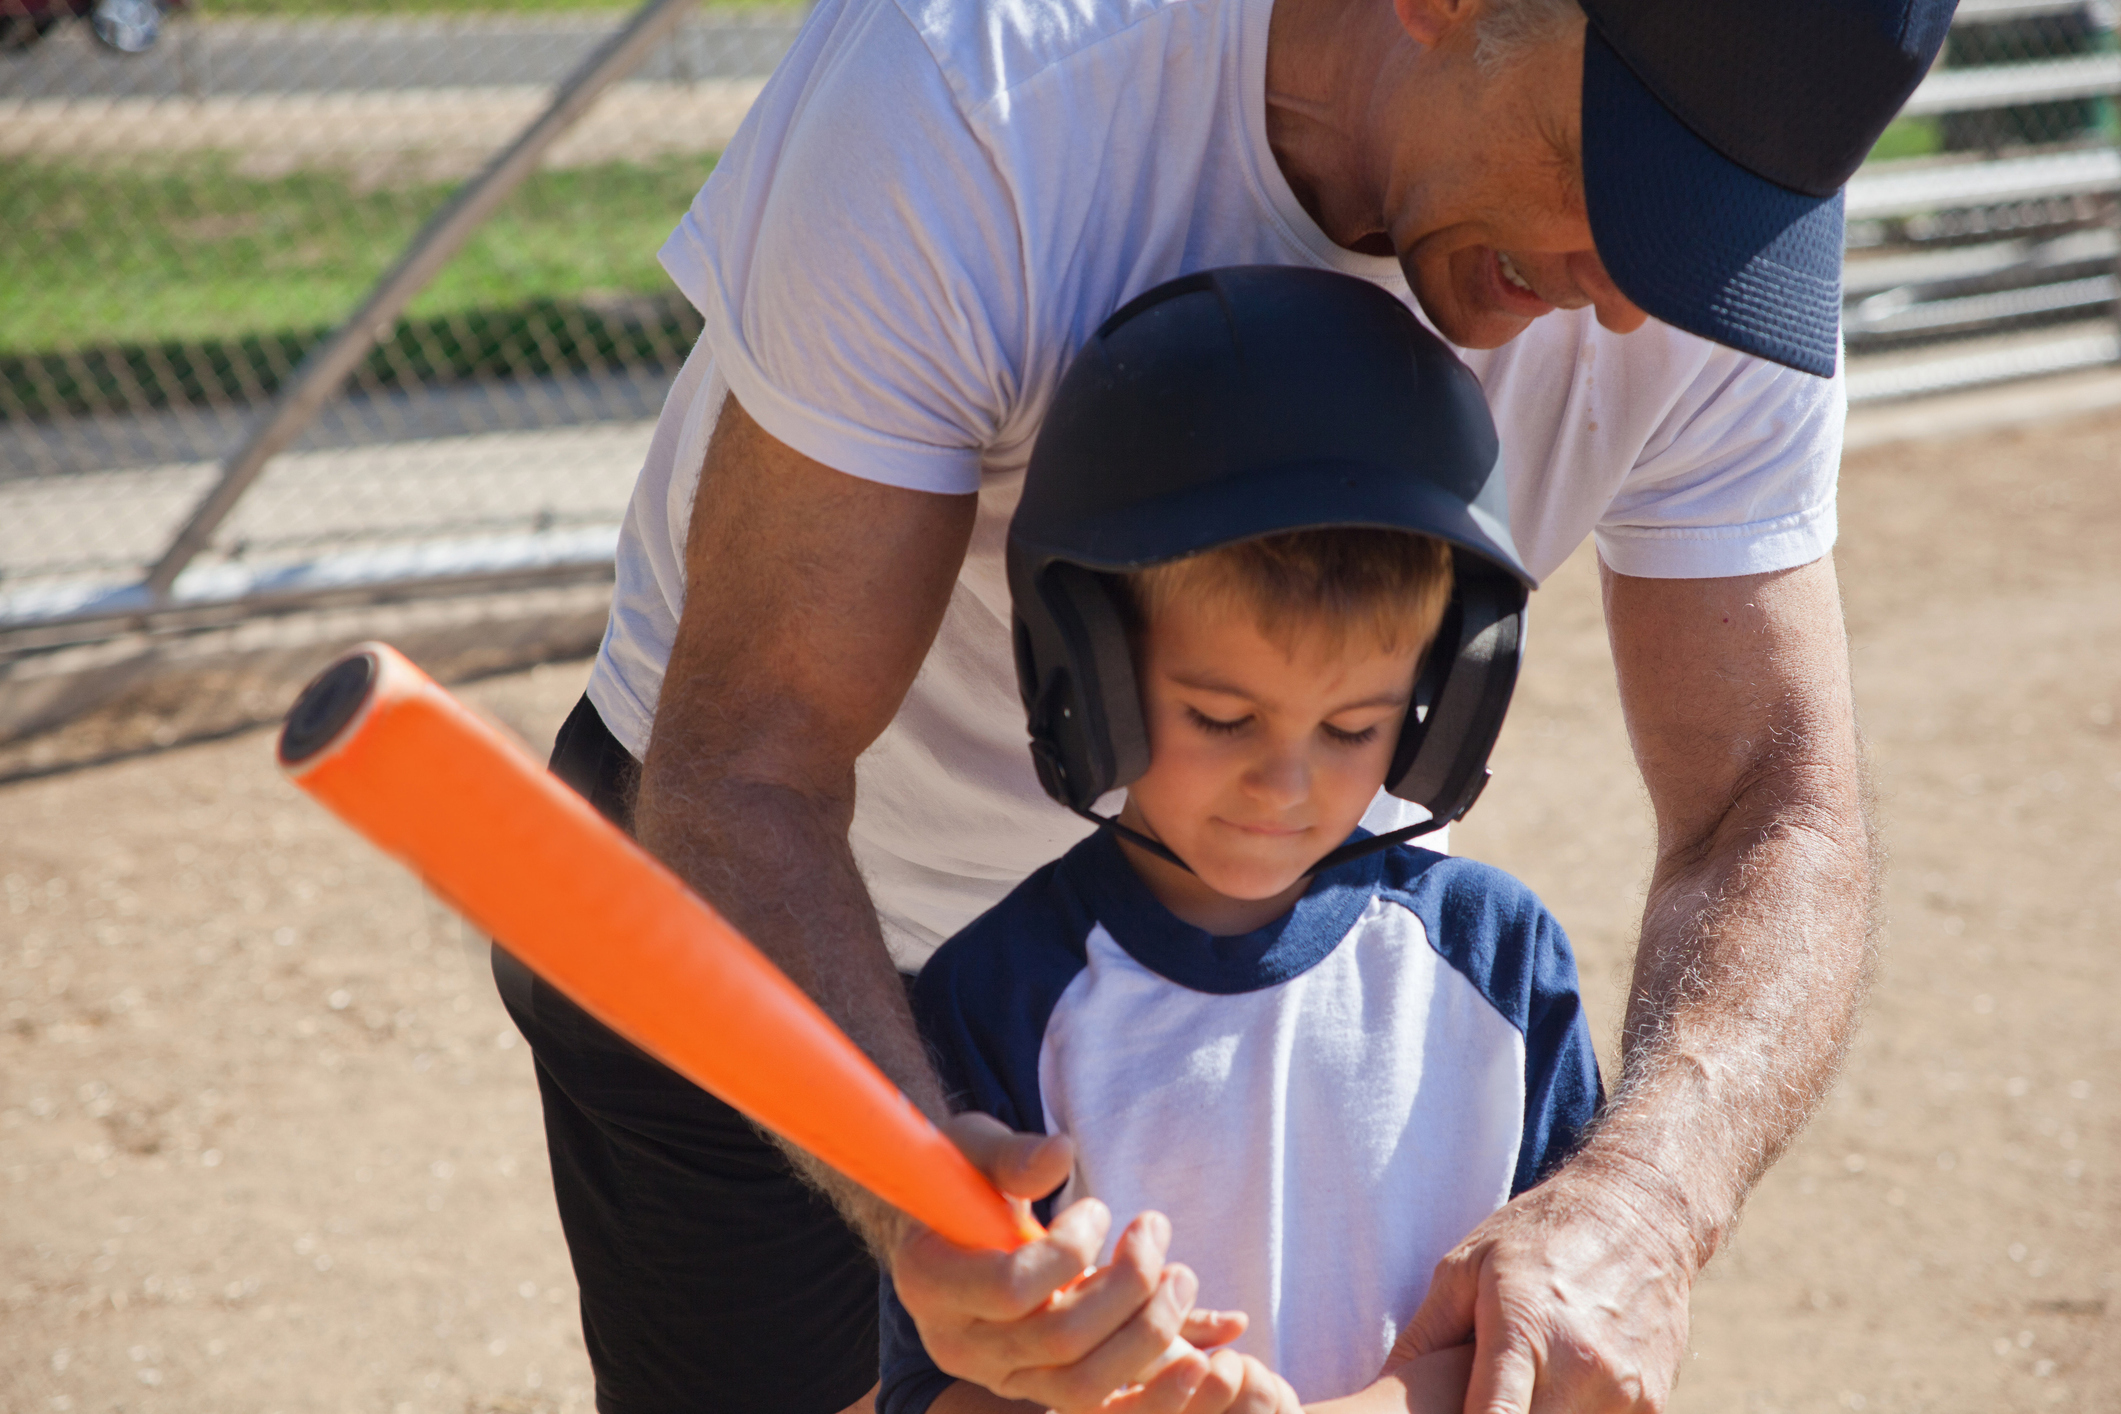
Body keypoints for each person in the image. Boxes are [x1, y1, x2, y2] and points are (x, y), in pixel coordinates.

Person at [498, 0, 1955, 1407]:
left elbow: (1772, 793)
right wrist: (918, 1195)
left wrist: (1645, 1199)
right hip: (783, 936)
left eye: (1719, 218)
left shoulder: (1691, 269)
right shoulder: (979, 83)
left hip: (1272, 954)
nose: (1642, 298)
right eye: (1618, 174)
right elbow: (746, 760)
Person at [877, 268, 1603, 1414]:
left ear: (1442, 702)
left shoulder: (1496, 962)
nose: (1287, 783)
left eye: (1356, 726)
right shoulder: (996, 993)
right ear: (1092, 680)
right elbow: (937, 1390)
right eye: (1222, 717)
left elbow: (1571, 1344)